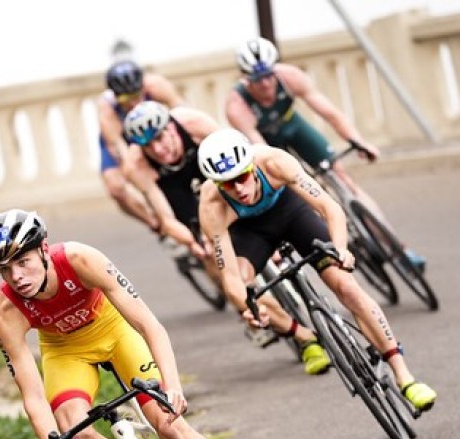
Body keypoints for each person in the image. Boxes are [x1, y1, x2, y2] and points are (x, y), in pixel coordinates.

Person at [0, 208, 280, 439]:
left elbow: (148, 324)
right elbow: (31, 394)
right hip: (65, 351)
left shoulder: (80, 259)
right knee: (73, 431)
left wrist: (171, 385)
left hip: (115, 329)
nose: (17, 277)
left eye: (24, 262)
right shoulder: (6, 313)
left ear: (44, 249)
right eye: (5, 270)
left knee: (168, 423)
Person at [196, 127, 438, 411]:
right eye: (227, 184)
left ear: (251, 166)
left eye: (241, 177)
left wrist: (341, 249)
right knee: (246, 289)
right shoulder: (211, 205)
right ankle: (302, 335)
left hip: (291, 213)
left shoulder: (274, 162)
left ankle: (405, 377)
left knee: (346, 287)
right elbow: (230, 278)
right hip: (251, 233)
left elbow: (328, 207)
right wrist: (248, 306)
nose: (238, 189)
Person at [120, 99, 332, 376]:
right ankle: (301, 336)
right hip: (186, 203)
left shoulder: (193, 122)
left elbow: (241, 153)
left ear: (172, 126)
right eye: (149, 146)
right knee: (219, 266)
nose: (159, 149)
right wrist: (194, 243)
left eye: (160, 137)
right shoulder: (136, 166)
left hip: (223, 179)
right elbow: (166, 219)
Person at [224, 37, 426, 269]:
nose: (266, 84)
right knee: (300, 191)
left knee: (344, 180)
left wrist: (358, 141)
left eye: (269, 75)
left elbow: (330, 113)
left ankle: (400, 249)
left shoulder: (290, 77)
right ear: (245, 78)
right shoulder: (237, 106)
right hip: (268, 143)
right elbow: (263, 153)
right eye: (258, 80)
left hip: (293, 126)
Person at [97, 59, 186, 233]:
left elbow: (184, 112)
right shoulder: (107, 109)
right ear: (115, 95)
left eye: (136, 96)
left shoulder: (156, 85)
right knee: (116, 188)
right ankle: (156, 224)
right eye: (125, 99)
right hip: (123, 136)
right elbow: (120, 151)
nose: (133, 104)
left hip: (151, 126)